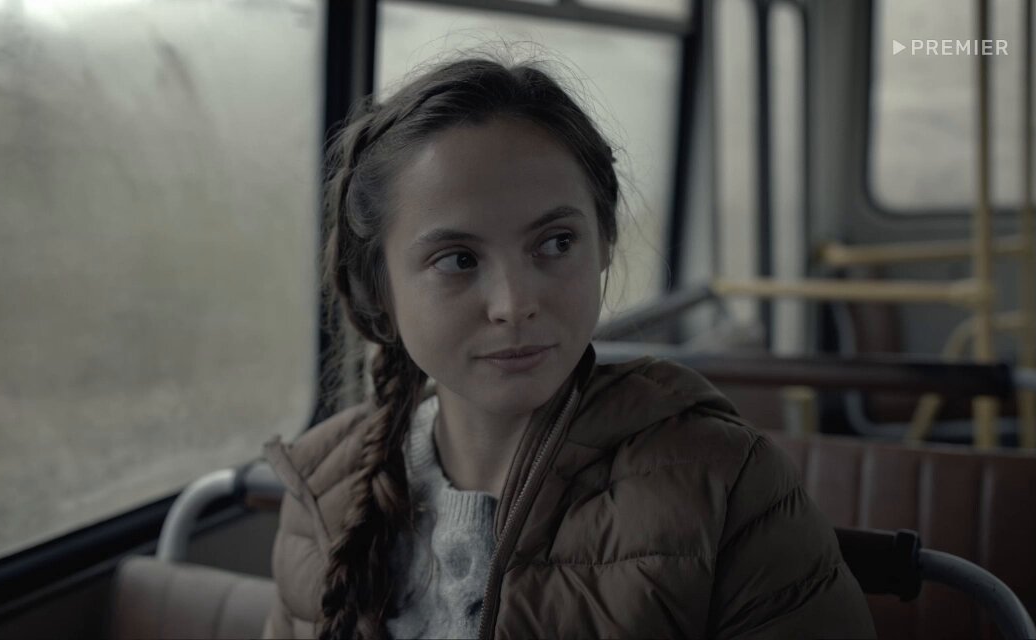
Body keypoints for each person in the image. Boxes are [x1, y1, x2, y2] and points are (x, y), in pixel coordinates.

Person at [262, 57, 876, 640]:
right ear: (377, 287)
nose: (514, 303)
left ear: (604, 241)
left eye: (555, 243)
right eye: (458, 260)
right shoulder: (324, 492)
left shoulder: (726, 483)